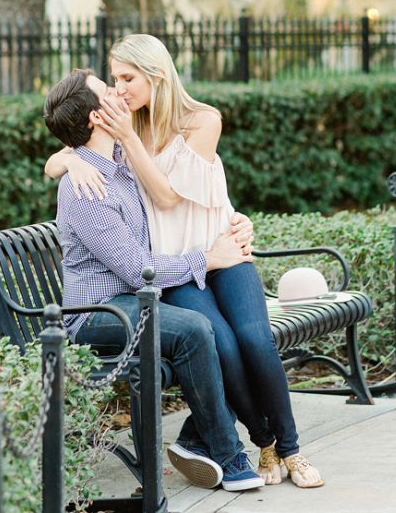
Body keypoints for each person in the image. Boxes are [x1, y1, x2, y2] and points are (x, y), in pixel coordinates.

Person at [46, 35, 324, 490]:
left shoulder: (197, 120)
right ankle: (262, 444)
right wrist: (67, 161)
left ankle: (287, 449)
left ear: (156, 74)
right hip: (179, 267)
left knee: (255, 339)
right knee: (220, 342)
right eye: (112, 81)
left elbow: (171, 193)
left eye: (126, 78)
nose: (119, 89)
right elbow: (75, 139)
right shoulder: (121, 133)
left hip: (220, 252)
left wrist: (230, 229)